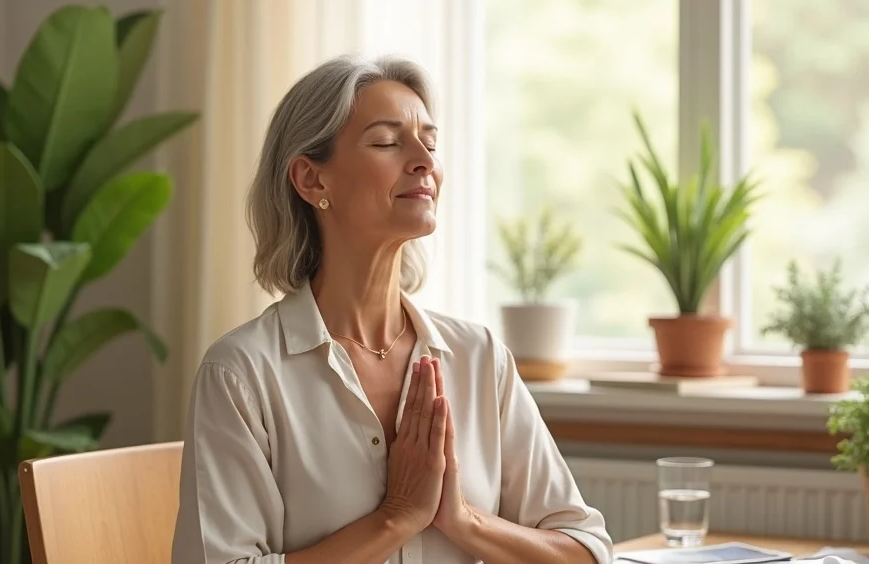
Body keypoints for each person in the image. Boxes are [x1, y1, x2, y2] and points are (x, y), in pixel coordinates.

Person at [171, 54, 612, 564]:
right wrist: (396, 516)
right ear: (312, 181)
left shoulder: (479, 357)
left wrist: (464, 519)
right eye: (386, 142)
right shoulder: (242, 374)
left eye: (430, 141)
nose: (424, 160)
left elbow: (584, 551)